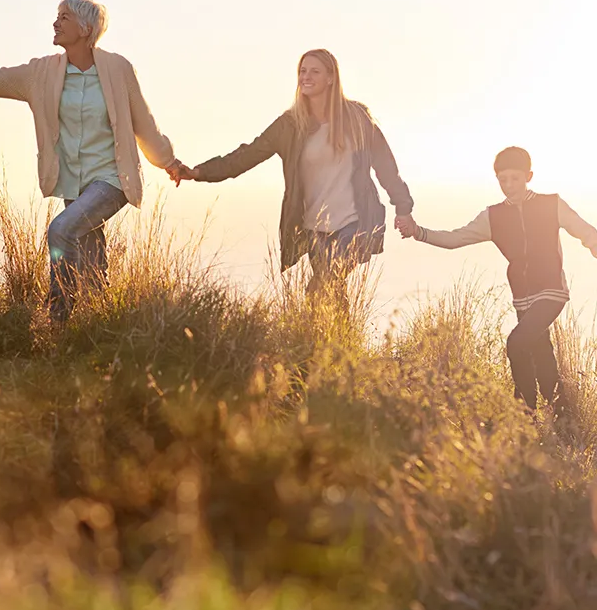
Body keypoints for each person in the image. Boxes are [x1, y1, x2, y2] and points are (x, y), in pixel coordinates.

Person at [0, 0, 186, 322]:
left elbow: (144, 122)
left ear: (85, 29)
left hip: (112, 179)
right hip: (74, 182)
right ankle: (100, 328)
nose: (55, 23)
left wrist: (168, 161)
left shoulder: (117, 70)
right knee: (91, 264)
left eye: (63, 18)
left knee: (61, 230)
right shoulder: (43, 73)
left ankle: (58, 320)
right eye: (57, 17)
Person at [176, 49, 413, 315]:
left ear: (331, 78)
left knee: (322, 286)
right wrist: (199, 172)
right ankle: (340, 349)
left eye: (314, 71)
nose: (306, 76)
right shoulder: (290, 125)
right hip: (313, 228)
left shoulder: (357, 119)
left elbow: (387, 169)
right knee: (328, 291)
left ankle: (334, 349)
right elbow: (246, 156)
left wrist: (404, 209)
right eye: (302, 71)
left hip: (354, 223)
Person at [396, 147, 597, 413]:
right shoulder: (493, 216)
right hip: (522, 298)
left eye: (515, 178)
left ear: (529, 176)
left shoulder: (552, 204)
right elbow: (455, 238)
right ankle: (562, 416)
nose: (509, 185)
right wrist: (418, 232)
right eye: (503, 180)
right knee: (541, 354)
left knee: (517, 343)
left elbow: (585, 232)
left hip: (551, 292)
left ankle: (524, 413)